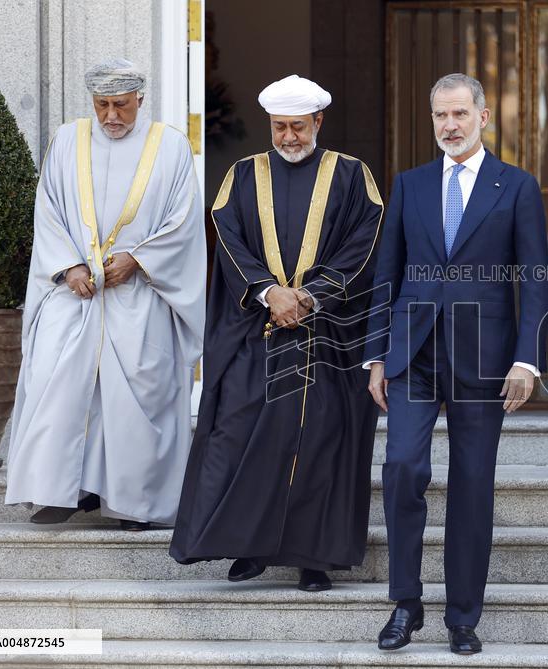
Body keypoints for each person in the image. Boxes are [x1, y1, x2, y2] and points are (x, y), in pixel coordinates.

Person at [168, 75, 383, 592]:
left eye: (297, 127)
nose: (288, 136)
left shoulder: (353, 176)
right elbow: (228, 239)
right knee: (242, 436)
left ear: (318, 122)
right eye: (279, 127)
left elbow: (366, 240)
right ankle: (250, 548)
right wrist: (270, 293)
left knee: (319, 443)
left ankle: (314, 557)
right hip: (258, 330)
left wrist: (310, 295)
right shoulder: (242, 176)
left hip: (327, 335)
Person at [364, 73, 548, 655]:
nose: (450, 125)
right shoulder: (410, 185)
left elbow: (534, 280)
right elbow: (386, 273)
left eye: (460, 115)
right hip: (412, 353)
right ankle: (406, 603)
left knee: (472, 485)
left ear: (484, 117)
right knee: (401, 470)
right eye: (440, 116)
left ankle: (463, 617)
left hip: (484, 358)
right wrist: (376, 354)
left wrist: (527, 359)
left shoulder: (516, 187)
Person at [4, 58, 206, 531]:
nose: (111, 116)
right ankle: (62, 491)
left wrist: (139, 259)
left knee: (136, 396)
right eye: (102, 106)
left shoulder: (171, 146)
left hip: (139, 294)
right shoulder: (68, 141)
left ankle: (136, 503)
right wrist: (69, 265)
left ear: (141, 99)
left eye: (121, 105)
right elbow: (48, 209)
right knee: (59, 383)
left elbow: (183, 221)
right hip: (75, 295)